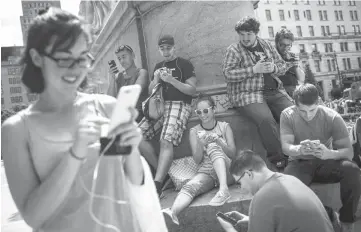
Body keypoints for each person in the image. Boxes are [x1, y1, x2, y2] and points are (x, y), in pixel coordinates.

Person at [1, 8, 167, 232]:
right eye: (64, 58)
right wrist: (74, 154)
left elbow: (133, 181)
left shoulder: (105, 107)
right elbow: (33, 215)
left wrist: (130, 151)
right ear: (36, 57)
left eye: (82, 59)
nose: (75, 69)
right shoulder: (17, 130)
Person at [280, 83, 361, 232]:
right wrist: (298, 149)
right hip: (299, 162)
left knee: (353, 171)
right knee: (287, 189)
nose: (308, 115)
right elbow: (286, 147)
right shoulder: (287, 115)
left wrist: (330, 154)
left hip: (326, 161)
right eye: (302, 111)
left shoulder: (332, 116)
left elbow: (348, 153)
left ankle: (347, 219)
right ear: (295, 104)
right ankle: (328, 214)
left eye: (312, 110)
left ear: (318, 102)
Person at [222, 16, 293, 171]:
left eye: (249, 34)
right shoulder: (233, 50)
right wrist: (253, 70)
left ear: (255, 33)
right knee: (266, 120)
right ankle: (280, 161)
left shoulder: (266, 45)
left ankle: (300, 154)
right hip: (248, 94)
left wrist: (273, 68)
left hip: (274, 91)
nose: (245, 38)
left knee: (294, 114)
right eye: (242, 34)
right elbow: (228, 75)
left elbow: (282, 65)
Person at [217, 150, 334, 232]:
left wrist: (229, 228)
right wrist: (252, 220)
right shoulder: (291, 179)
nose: (241, 188)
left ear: (248, 174)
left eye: (239, 182)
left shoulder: (261, 198)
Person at [162, 94, 236, 224]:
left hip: (227, 169)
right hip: (208, 172)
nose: (202, 115)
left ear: (213, 109)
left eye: (206, 110)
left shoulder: (225, 126)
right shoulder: (194, 131)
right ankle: (172, 212)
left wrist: (218, 140)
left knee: (213, 146)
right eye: (199, 112)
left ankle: (223, 190)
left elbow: (232, 154)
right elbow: (197, 160)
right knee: (190, 186)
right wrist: (201, 144)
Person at [138, 35, 197, 197]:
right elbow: (151, 91)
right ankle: (163, 175)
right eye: (162, 49)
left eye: (168, 48)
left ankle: (156, 184)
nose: (165, 51)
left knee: (166, 140)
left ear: (174, 47)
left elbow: (192, 90)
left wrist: (171, 80)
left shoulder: (184, 64)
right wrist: (156, 78)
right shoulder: (158, 66)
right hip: (159, 105)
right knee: (135, 136)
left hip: (180, 104)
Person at [106, 44, 149, 123]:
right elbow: (109, 100)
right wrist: (112, 78)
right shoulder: (119, 77)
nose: (122, 61)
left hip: (138, 117)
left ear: (132, 55)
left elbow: (133, 95)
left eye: (124, 57)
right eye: (119, 58)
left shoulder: (141, 73)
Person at [275, 28, 305, 97]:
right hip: (280, 91)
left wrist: (296, 66)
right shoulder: (272, 55)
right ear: (277, 43)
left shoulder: (292, 56)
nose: (285, 48)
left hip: (295, 89)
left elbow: (301, 79)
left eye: (288, 45)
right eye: (282, 45)